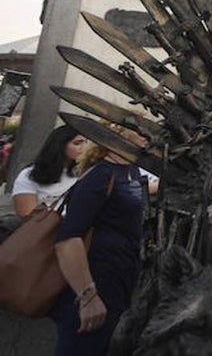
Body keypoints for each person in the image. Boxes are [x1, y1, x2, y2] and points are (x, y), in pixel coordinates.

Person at [52, 128, 148, 355]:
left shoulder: (131, 171)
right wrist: (87, 297)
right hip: (95, 284)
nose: (147, 135)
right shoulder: (100, 175)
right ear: (118, 136)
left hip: (120, 286)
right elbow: (68, 239)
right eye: (139, 130)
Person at [11, 124, 86, 217]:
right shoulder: (29, 175)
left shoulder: (86, 174)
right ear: (60, 145)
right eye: (77, 143)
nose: (84, 148)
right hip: (43, 228)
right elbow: (26, 215)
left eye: (86, 143)